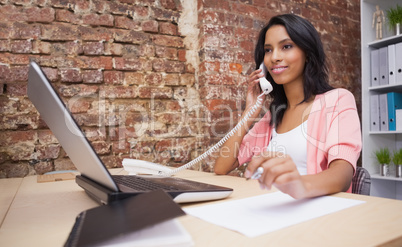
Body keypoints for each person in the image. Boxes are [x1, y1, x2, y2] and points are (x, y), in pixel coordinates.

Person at [214, 14, 362, 199]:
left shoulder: (338, 100)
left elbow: (343, 174)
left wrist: (300, 185)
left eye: (286, 46)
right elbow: (222, 167)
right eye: (268, 50)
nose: (274, 57)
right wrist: (249, 111)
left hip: (312, 210)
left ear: (307, 53)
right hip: (270, 206)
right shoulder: (273, 117)